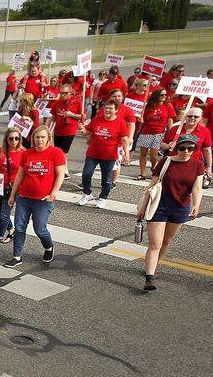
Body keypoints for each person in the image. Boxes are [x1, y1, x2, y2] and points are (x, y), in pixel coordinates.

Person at [137, 134, 204, 292]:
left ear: (194, 149)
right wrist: (142, 207)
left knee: (166, 241)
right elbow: (152, 186)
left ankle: (153, 266)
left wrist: (196, 204)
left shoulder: (198, 165)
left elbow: (197, 187)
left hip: (180, 208)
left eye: (190, 148)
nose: (186, 151)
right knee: (155, 243)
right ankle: (149, 278)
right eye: (182, 148)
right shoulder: (165, 161)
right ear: (176, 148)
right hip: (159, 206)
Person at [4, 127, 65, 268]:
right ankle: (17, 256)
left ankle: (48, 247)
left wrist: (53, 194)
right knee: (19, 227)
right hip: (24, 198)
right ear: (33, 138)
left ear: (48, 138)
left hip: (43, 200)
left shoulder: (56, 153)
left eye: (43, 137)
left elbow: (60, 175)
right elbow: (20, 175)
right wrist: (12, 195)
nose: (39, 140)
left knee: (40, 229)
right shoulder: (27, 154)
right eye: (37, 137)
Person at [78, 100, 131, 208]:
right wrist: (82, 129)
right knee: (86, 174)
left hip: (109, 156)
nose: (107, 110)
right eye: (106, 108)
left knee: (106, 179)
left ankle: (103, 197)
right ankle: (87, 193)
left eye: (110, 108)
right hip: (93, 153)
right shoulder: (97, 119)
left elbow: (125, 139)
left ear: (116, 110)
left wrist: (127, 154)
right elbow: (87, 132)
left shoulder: (120, 122)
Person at [0, 128, 23, 253]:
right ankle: (11, 230)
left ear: (20, 139)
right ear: (6, 139)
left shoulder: (23, 153)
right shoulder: (0, 151)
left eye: (17, 138)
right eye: (11, 138)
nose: (14, 141)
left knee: (4, 215)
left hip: (13, 188)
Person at [134, 89, 175, 181]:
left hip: (159, 133)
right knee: (143, 154)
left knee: (154, 155)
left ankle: (153, 167)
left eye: (165, 95)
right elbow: (143, 118)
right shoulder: (148, 106)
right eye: (162, 95)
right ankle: (142, 173)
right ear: (156, 95)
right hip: (146, 132)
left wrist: (170, 133)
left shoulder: (168, 106)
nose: (164, 96)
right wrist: (140, 119)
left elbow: (169, 120)